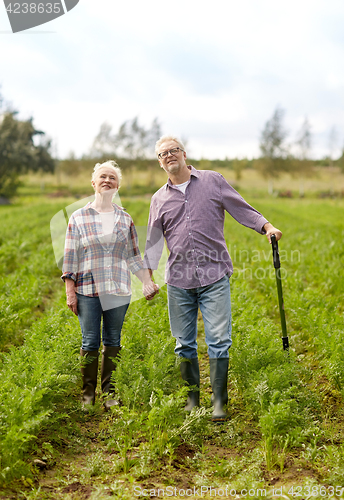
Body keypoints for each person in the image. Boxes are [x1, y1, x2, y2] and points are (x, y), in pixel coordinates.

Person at [143, 136, 282, 422]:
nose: (169, 156)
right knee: (184, 343)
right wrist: (147, 278)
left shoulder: (212, 181)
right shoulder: (158, 199)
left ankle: (219, 402)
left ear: (183, 153)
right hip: (179, 280)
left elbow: (240, 207)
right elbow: (154, 242)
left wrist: (266, 226)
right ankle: (192, 401)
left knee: (219, 340)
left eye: (173, 151)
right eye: (163, 154)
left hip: (214, 275)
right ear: (159, 162)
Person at [62, 160, 159, 411]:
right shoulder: (78, 217)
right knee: (90, 341)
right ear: (93, 183)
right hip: (87, 290)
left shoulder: (124, 218)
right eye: (103, 177)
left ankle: (109, 394)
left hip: (117, 289)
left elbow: (134, 257)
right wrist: (70, 291)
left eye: (112, 178)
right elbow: (70, 256)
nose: (107, 181)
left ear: (117, 186)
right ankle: (87, 396)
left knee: (113, 340)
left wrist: (147, 282)